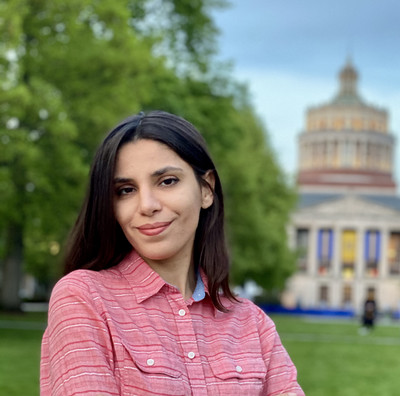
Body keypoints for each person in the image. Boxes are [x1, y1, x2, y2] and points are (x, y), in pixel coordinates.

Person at [40, 110, 304, 395]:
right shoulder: (84, 298)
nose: (147, 205)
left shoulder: (252, 323)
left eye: (167, 181)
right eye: (126, 190)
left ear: (206, 189)